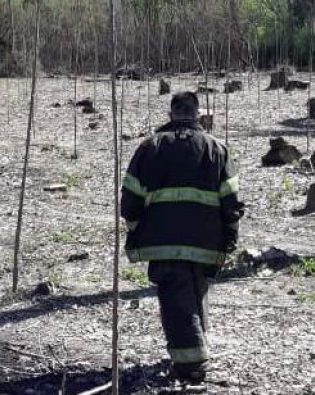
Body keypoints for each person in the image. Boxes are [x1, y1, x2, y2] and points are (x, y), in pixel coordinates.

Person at [120, 92, 244, 383]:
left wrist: (135, 230)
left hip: (163, 243)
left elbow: (131, 200)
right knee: (195, 295)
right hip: (205, 244)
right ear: (198, 113)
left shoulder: (150, 147)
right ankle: (197, 348)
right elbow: (232, 202)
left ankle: (192, 366)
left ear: (172, 113)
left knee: (177, 303)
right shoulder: (217, 149)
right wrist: (229, 237)